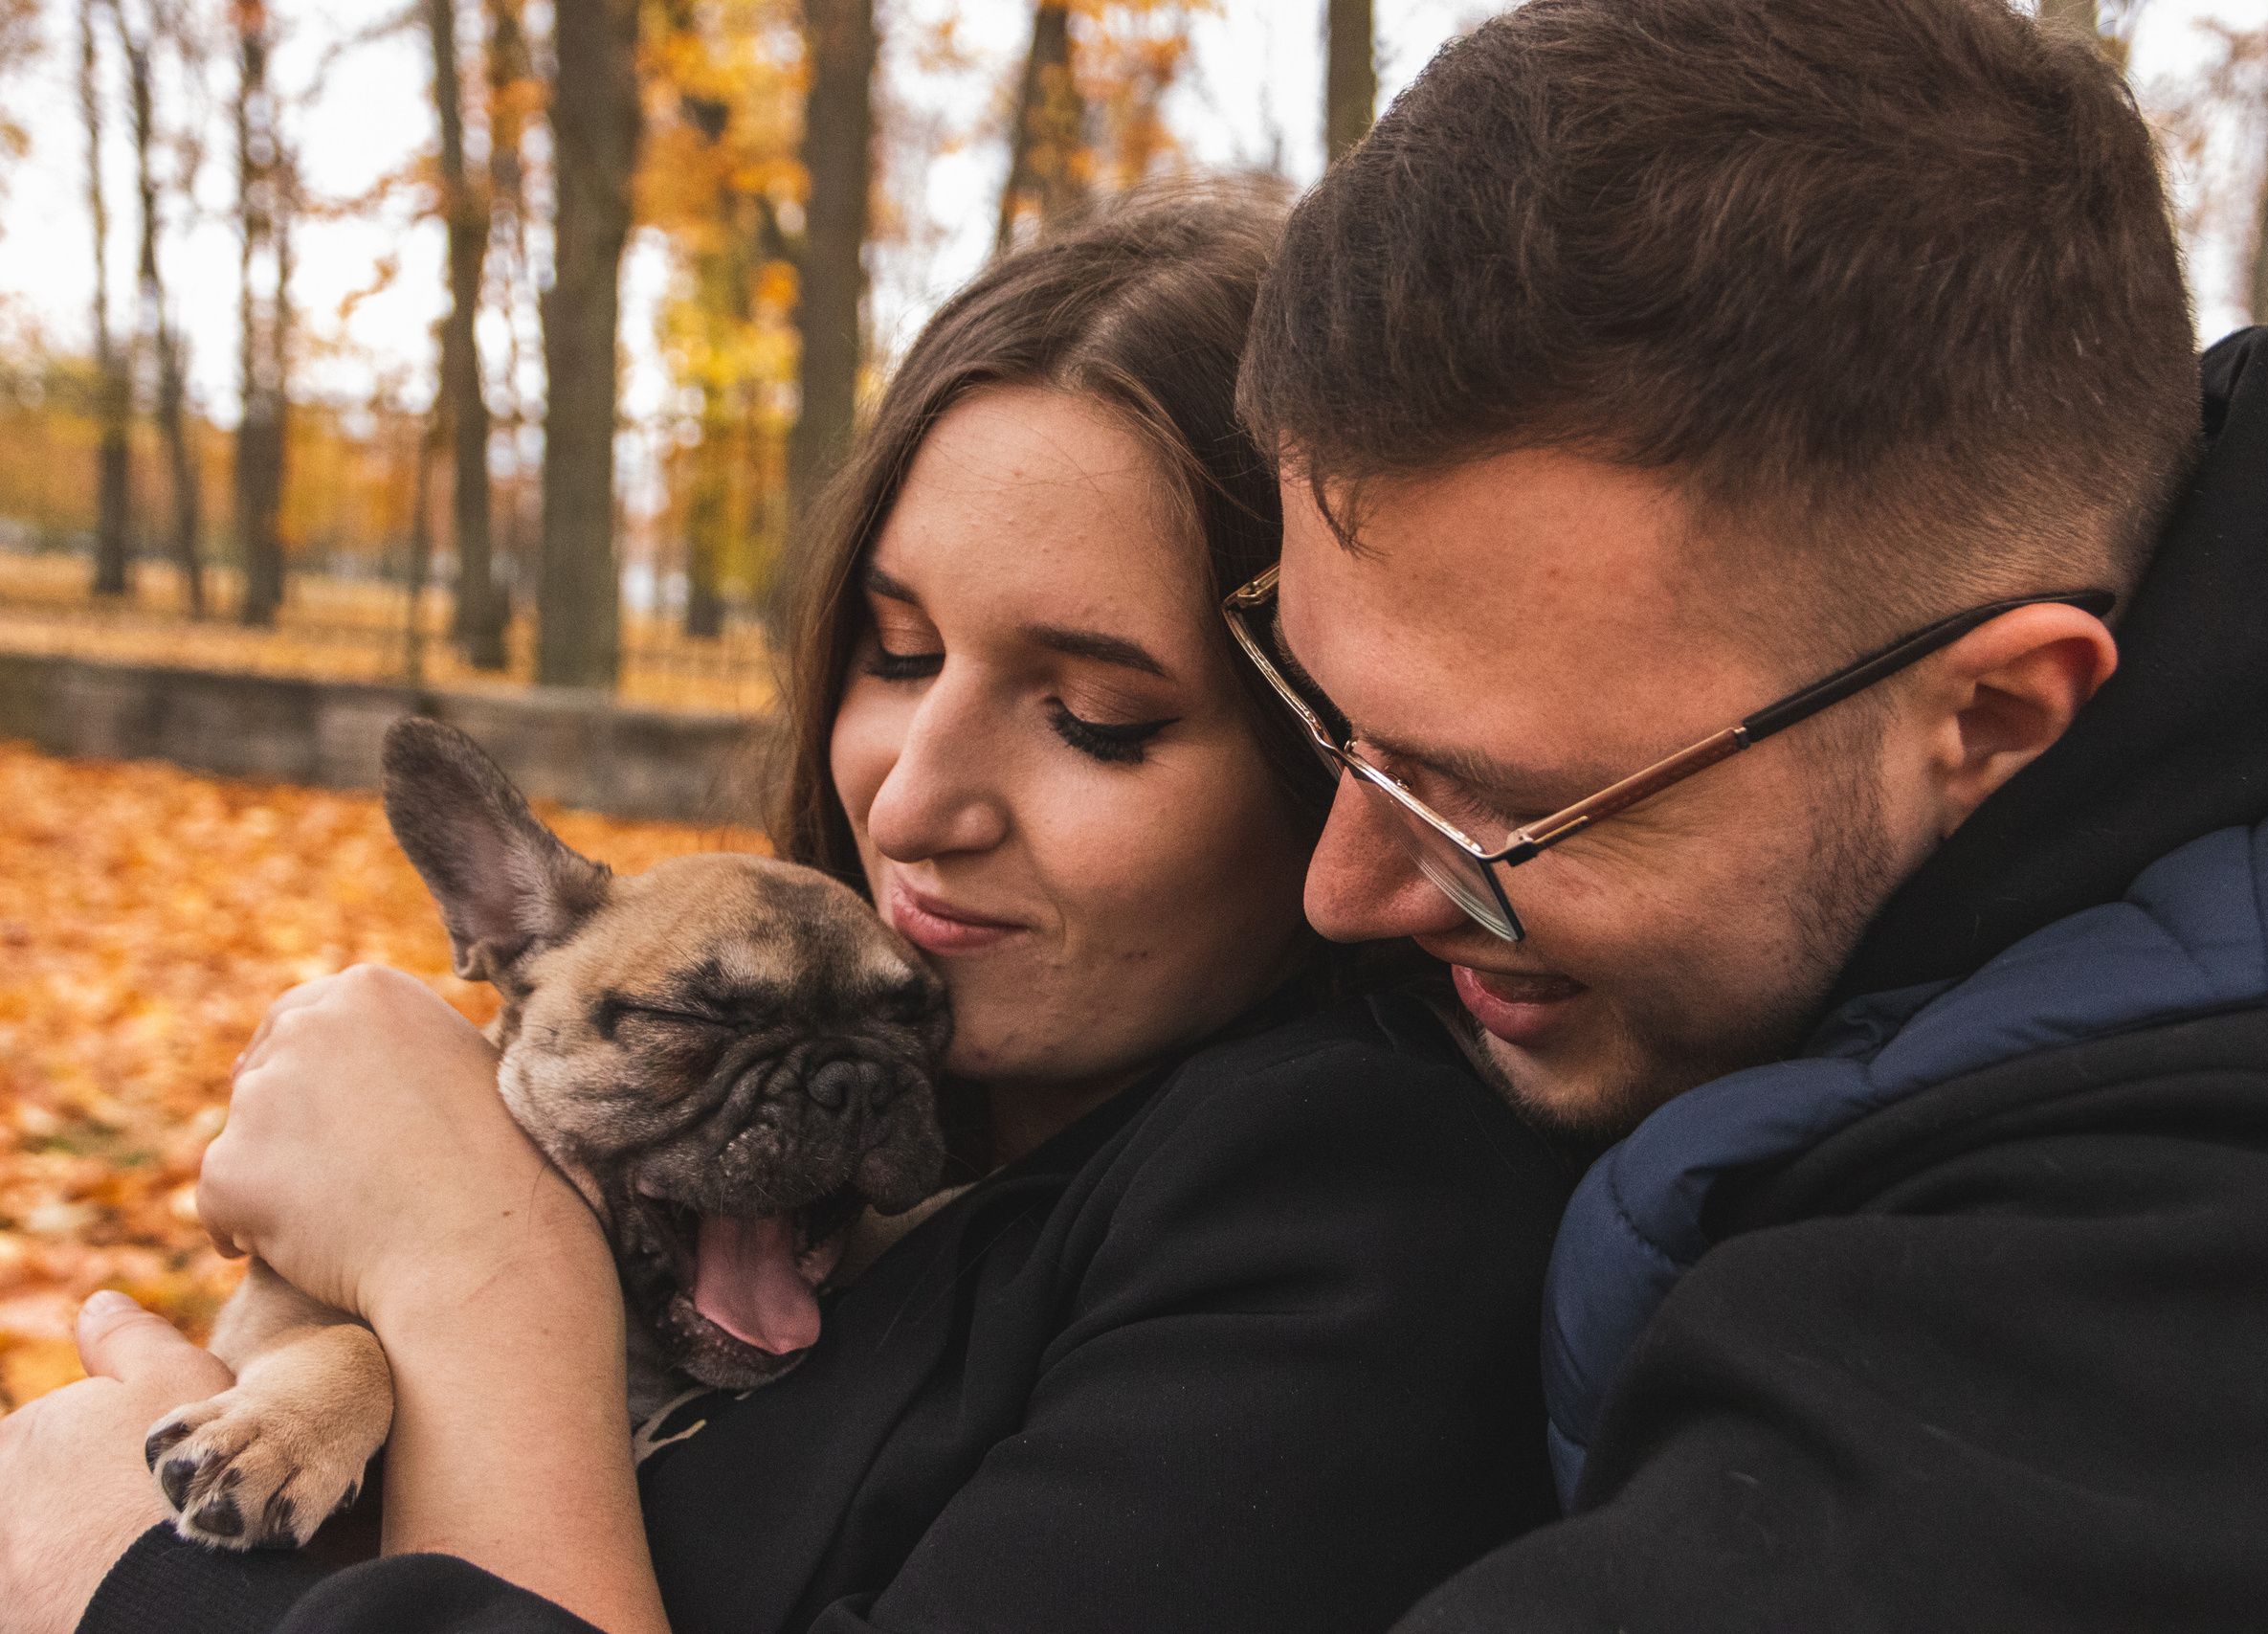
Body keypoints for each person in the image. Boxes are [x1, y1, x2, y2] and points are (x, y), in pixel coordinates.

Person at [0, 188, 1571, 1634]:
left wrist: (126, 1556)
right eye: (894, 655)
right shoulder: (896, 1118)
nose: (909, 802)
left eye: (1094, 713)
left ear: (1334, 767)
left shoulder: (1349, 1216)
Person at [1229, 0, 2268, 1626]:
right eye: (1332, 723)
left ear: (1997, 716)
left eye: (1505, 805)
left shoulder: (2238, 1259)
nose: (1341, 890)